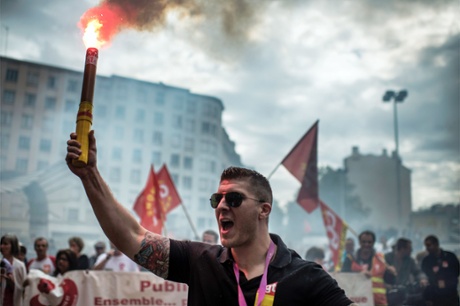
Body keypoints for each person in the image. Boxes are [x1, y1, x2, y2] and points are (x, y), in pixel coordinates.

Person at [65, 131, 356, 306]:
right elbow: (132, 237)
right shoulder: (201, 261)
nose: (221, 207)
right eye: (217, 199)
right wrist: (90, 176)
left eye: (234, 199)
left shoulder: (305, 276)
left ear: (263, 210)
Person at [342, 230, 396, 306]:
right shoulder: (350, 259)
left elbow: (390, 281)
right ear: (359, 242)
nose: (366, 244)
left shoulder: (381, 259)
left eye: (369, 242)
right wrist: (359, 276)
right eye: (363, 242)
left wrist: (392, 274)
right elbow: (343, 279)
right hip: (357, 302)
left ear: (373, 243)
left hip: (378, 302)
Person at [421, 235, 459, 306]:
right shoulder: (426, 261)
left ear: (436, 244)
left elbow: (456, 271)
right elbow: (425, 274)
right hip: (434, 294)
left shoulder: (450, 256)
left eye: (429, 245)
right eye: (426, 246)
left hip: (450, 293)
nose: (427, 248)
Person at [1, 234, 27, 306]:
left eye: (5, 244)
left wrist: (12, 283)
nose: (2, 246)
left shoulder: (20, 266)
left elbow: (24, 290)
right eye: (1, 244)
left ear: (13, 246)